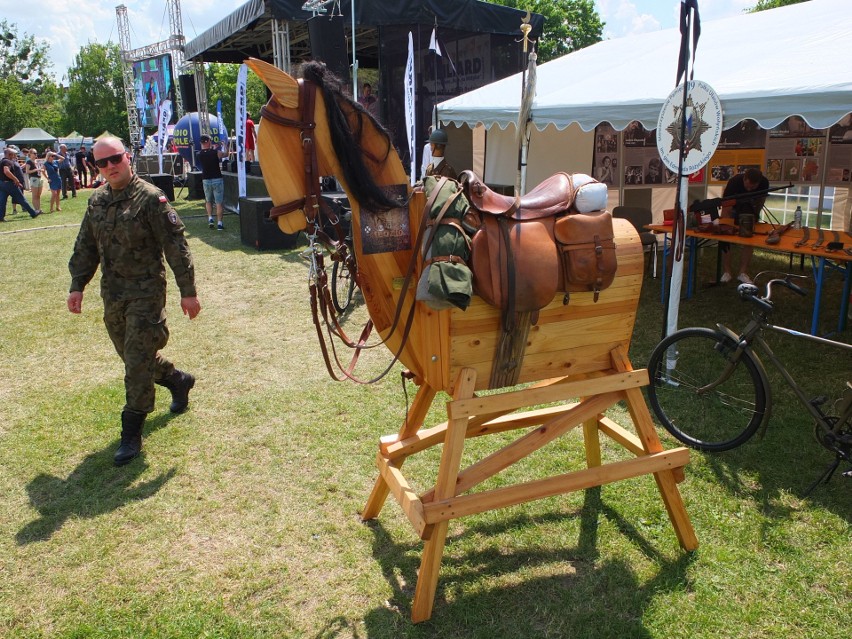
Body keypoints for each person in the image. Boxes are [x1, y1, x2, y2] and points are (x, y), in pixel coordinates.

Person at [67, 136, 201, 466]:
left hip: (146, 294)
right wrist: (77, 285)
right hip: (113, 296)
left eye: (115, 159)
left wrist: (188, 292)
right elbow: (85, 246)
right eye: (102, 163)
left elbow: (177, 248)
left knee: (136, 361)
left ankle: (131, 431)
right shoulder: (96, 201)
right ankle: (177, 380)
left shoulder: (151, 199)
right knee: (133, 358)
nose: (110, 167)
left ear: (127, 158)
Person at [719, 167, 769, 285]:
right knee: (726, 241)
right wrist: (726, 224)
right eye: (747, 186)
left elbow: (761, 200)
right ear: (744, 179)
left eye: (753, 187)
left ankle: (742, 272)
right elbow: (726, 206)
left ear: (758, 183)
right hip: (733, 210)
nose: (749, 189)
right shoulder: (734, 182)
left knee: (749, 240)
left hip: (750, 211)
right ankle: (727, 272)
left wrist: (755, 215)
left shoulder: (764, 183)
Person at [0, 146, 41, 221]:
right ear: (9, 154)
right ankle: (33, 213)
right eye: (13, 154)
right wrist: (16, 179)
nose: (15, 156)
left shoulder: (2, 161)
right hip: (10, 184)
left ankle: (0, 217)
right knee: (21, 199)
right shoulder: (7, 161)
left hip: (2, 184)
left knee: (2, 201)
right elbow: (6, 171)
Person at [197, 134, 227, 230]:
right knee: (219, 203)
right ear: (209, 141)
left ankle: (210, 218)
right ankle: (219, 223)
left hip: (206, 179)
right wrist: (224, 145)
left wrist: (212, 148)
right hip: (217, 178)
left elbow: (206, 152)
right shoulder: (215, 152)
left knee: (208, 201)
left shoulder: (199, 154)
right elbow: (225, 154)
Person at [25, 148, 44, 213]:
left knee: (38, 195)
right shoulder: (29, 161)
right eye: (34, 153)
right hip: (33, 179)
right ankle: (36, 209)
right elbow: (27, 171)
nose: (36, 154)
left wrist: (40, 170)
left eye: (36, 153)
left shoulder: (37, 161)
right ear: (30, 154)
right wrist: (36, 170)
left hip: (39, 178)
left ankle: (39, 209)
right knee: (35, 195)